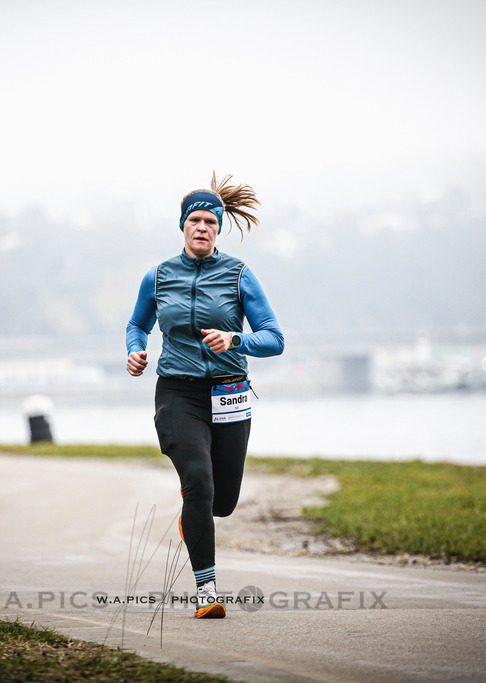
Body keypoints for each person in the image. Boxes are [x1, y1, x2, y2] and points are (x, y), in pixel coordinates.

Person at [125, 172, 285, 619]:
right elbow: (137, 325)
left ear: (218, 229)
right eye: (195, 220)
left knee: (223, 502)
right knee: (199, 479)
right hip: (178, 392)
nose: (202, 228)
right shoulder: (157, 277)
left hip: (230, 392)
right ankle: (207, 591)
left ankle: (193, 515)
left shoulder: (238, 275)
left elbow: (274, 339)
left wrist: (235, 341)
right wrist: (136, 351)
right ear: (182, 226)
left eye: (210, 223)